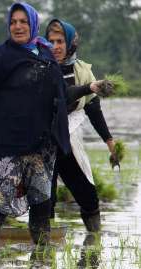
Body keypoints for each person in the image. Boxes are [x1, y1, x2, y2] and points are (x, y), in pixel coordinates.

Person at [0, 2, 71, 247]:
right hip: (7, 145)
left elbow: (62, 95)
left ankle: (41, 263)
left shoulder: (46, 55)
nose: (18, 26)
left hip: (42, 148)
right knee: (0, 203)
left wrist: (91, 88)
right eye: (13, 22)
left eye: (23, 22)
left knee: (41, 204)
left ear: (33, 24)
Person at [46, 19, 116, 232]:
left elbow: (94, 110)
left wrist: (110, 142)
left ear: (70, 44)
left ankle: (94, 240)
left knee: (88, 195)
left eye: (60, 41)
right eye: (50, 41)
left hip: (67, 141)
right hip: (45, 141)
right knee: (45, 198)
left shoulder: (83, 72)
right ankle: (43, 252)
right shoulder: (42, 68)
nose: (55, 47)